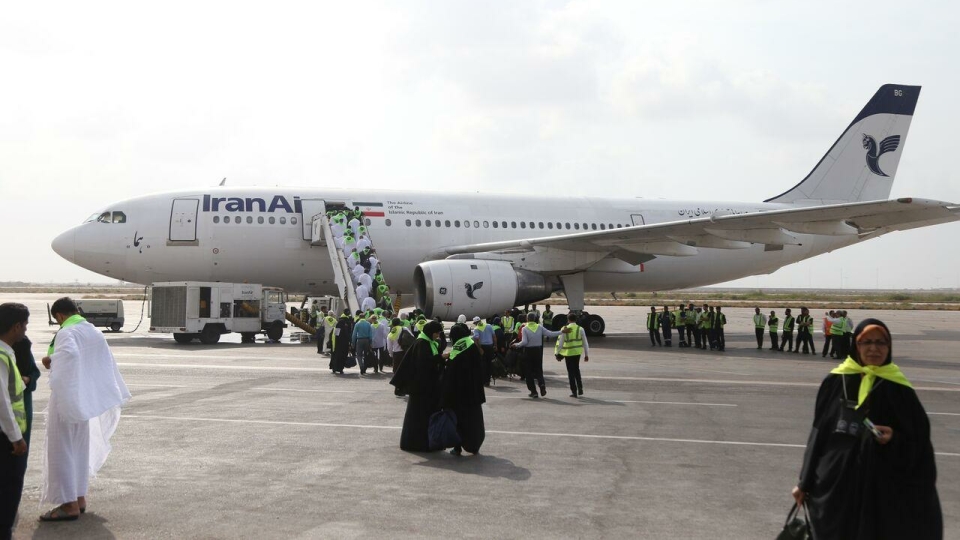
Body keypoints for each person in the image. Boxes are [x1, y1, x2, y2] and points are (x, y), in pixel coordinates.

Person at [791, 319, 942, 539]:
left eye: (881, 343)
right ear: (856, 345)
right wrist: (804, 483)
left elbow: (919, 445)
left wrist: (894, 439)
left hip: (882, 492)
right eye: (867, 342)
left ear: (889, 347)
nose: (874, 348)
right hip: (836, 487)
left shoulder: (900, 389)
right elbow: (818, 435)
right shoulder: (835, 382)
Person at [40, 297, 131, 521]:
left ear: (60, 316)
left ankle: (68, 505)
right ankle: (79, 499)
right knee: (79, 450)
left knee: (61, 451)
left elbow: (69, 355)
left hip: (67, 400)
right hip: (84, 402)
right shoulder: (93, 331)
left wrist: (52, 361)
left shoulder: (66, 332)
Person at [391, 321, 445, 452]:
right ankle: (418, 444)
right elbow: (424, 364)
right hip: (421, 389)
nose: (438, 336)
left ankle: (428, 441)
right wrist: (440, 358)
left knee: (424, 416)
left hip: (425, 388)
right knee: (419, 418)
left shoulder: (427, 342)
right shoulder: (422, 343)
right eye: (437, 333)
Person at [0, 303, 29, 539]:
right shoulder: (1, 355)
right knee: (8, 489)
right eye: (25, 325)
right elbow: (2, 404)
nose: (26, 330)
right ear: (16, 326)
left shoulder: (6, 352)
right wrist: (16, 438)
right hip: (5, 439)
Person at [442, 323, 486, 455]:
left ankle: (457, 447)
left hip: (460, 395)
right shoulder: (472, 344)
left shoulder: (458, 349)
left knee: (459, 421)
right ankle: (474, 445)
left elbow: (451, 373)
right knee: (474, 421)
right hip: (474, 393)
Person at [511, 313, 563, 398]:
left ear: (527, 319)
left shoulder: (525, 328)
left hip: (528, 351)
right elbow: (550, 334)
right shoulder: (539, 327)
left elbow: (524, 342)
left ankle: (533, 391)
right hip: (538, 351)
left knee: (528, 372)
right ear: (535, 319)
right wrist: (561, 332)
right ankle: (542, 385)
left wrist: (516, 345)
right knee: (538, 370)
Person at [556, 313, 589, 398]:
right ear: (576, 319)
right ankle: (580, 388)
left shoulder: (564, 329)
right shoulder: (580, 329)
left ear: (568, 320)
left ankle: (574, 391)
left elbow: (560, 343)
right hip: (577, 353)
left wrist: (557, 353)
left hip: (568, 353)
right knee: (577, 370)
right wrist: (586, 354)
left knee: (570, 372)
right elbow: (585, 343)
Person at [471, 316, 497, 386]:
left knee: (483, 364)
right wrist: (495, 345)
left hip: (483, 347)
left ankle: (484, 380)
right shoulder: (489, 326)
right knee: (489, 363)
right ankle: (488, 380)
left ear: (475, 322)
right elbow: (494, 336)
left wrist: (479, 349)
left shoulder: (476, 328)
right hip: (490, 347)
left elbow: (476, 339)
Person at [330, 309, 353, 374]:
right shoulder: (345, 331)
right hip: (343, 347)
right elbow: (347, 338)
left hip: (336, 347)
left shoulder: (336, 329)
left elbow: (335, 336)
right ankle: (340, 369)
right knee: (342, 358)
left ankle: (334, 368)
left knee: (335, 357)